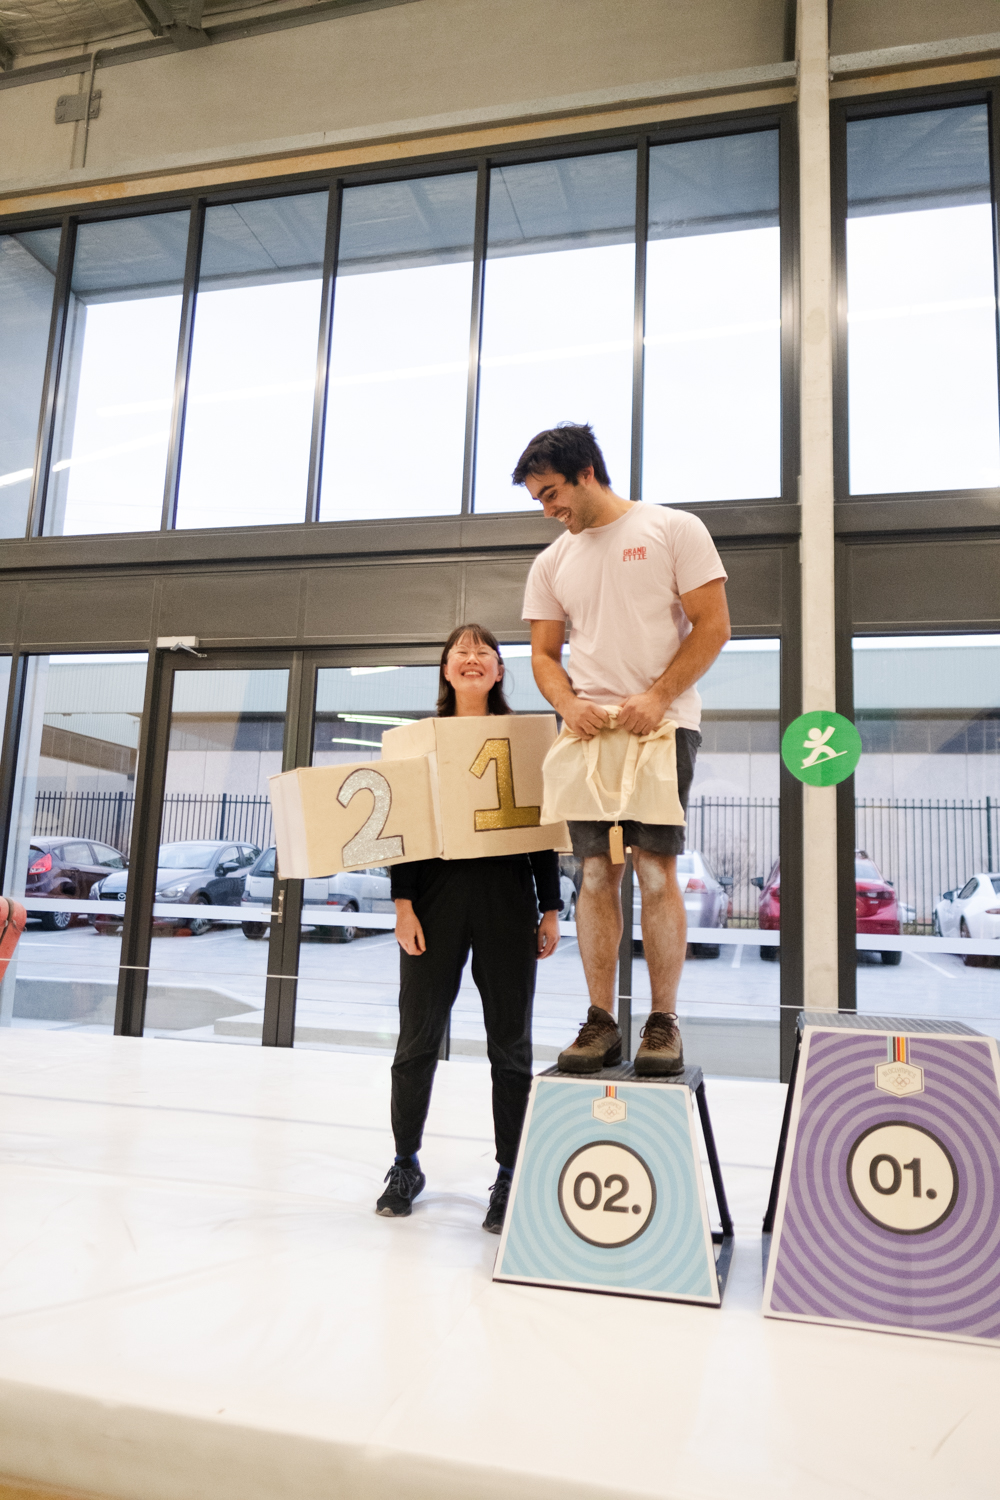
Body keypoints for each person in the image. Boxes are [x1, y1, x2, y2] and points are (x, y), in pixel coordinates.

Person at [517, 423, 730, 1076]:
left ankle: (663, 1023)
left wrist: (659, 696)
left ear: (586, 473)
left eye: (551, 493)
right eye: (538, 499)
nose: (547, 510)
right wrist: (567, 705)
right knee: (595, 874)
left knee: (655, 871)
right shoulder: (552, 562)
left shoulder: (673, 529)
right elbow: (544, 655)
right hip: (589, 733)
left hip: (662, 726)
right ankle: (601, 1021)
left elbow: (714, 625)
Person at [377, 624, 563, 1231]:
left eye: (485, 650)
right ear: (446, 669)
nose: (472, 657)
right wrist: (403, 904)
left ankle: (509, 1173)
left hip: (507, 902)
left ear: (500, 671)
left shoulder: (524, 738)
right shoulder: (419, 742)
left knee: (510, 1047)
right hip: (433, 903)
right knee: (416, 1042)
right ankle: (405, 1164)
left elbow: (540, 828)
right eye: (461, 650)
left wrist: (550, 906)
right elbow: (402, 827)